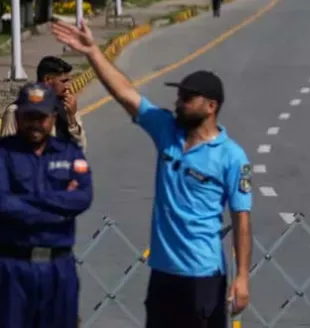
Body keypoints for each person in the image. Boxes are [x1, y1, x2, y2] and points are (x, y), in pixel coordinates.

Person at [49, 19, 253, 328]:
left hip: (203, 277)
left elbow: (241, 219)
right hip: (162, 274)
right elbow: (126, 94)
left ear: (211, 106)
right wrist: (92, 51)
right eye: (179, 96)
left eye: (187, 99)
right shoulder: (166, 130)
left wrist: (242, 278)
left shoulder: (231, 156)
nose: (179, 103)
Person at [0, 82, 94, 327]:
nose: (35, 123)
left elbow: (83, 197)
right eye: (28, 116)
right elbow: (3, 203)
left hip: (58, 268)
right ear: (17, 117)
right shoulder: (3, 153)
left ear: (53, 117)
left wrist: (28, 200)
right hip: (13, 267)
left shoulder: (69, 153)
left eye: (41, 117)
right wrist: (58, 206)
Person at [1, 56, 86, 150]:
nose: (68, 86)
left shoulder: (67, 108)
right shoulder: (16, 111)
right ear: (47, 80)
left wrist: (72, 119)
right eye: (63, 81)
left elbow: (81, 148)